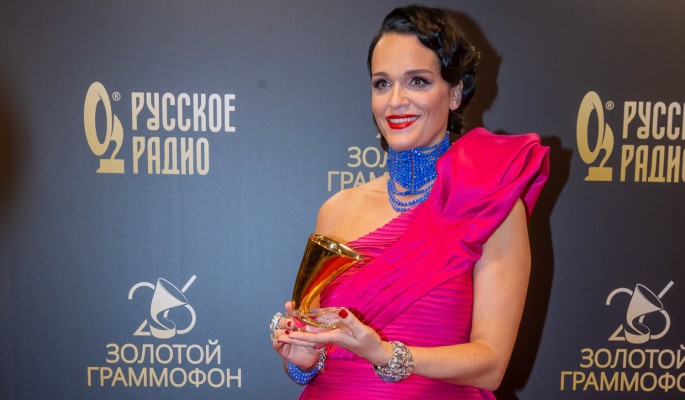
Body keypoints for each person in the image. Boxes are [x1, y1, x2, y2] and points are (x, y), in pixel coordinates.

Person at [270, 5, 549, 399]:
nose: (396, 100)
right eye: (382, 83)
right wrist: (305, 359)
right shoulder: (336, 211)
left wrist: (387, 354)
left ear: (454, 93)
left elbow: (491, 366)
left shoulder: (493, 208)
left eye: (417, 81)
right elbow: (315, 353)